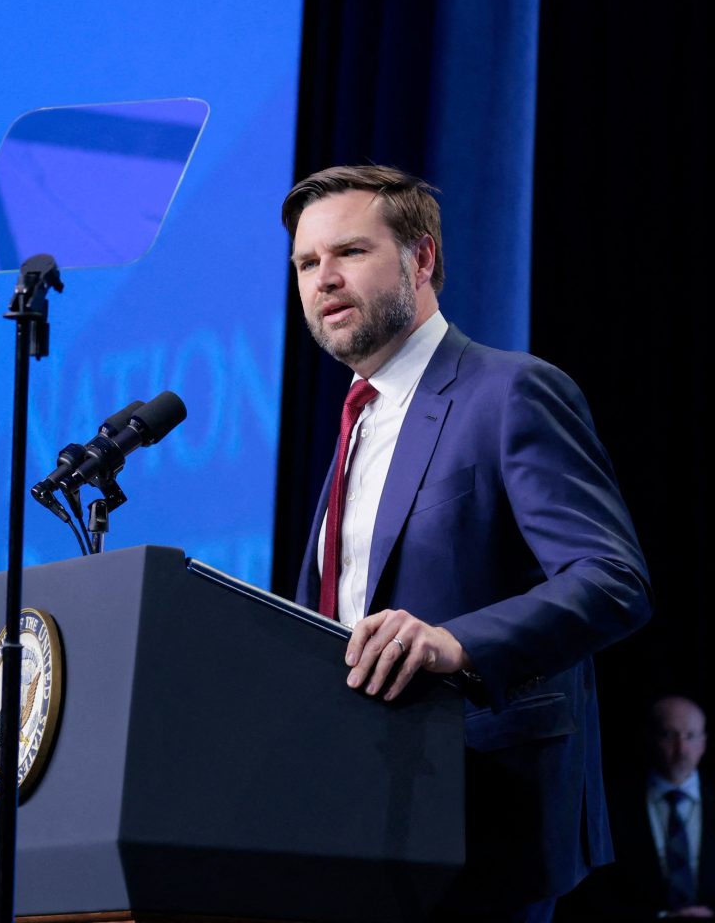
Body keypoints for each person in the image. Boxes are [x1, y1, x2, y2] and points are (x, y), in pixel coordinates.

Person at [284, 163, 652, 923]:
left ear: (421, 260)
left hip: (483, 819)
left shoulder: (508, 390)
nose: (323, 279)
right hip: (357, 818)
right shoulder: (357, 425)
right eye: (306, 263)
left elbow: (612, 578)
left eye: (349, 252)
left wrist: (457, 644)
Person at [563, 696, 715, 923]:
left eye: (690, 736)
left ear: (704, 742)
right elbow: (593, 899)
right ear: (649, 739)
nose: (682, 749)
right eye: (669, 735)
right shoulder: (612, 810)